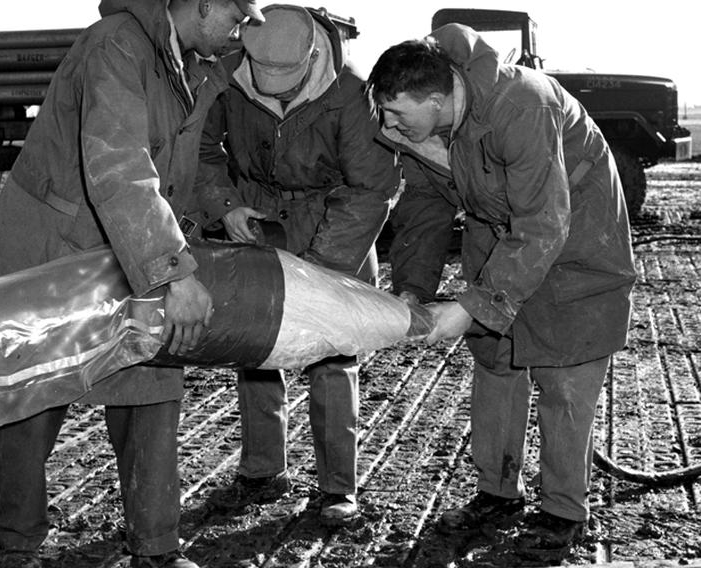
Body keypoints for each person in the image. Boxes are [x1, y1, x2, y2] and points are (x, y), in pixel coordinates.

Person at [0, 1, 264, 567]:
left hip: (129, 241)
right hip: (56, 251)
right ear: (203, 4)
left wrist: (223, 206)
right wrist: (172, 272)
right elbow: (120, 164)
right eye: (236, 15)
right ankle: (18, 543)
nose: (241, 30)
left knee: (152, 392)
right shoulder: (117, 45)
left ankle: (155, 549)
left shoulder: (197, 63)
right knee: (34, 399)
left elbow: (186, 161)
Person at [366, 24, 636, 559]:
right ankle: (497, 491)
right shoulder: (424, 127)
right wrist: (413, 288)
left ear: (438, 99)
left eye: (397, 114)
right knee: (496, 364)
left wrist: (472, 305)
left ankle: (562, 510)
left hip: (577, 248)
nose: (388, 126)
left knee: (564, 379)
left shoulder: (522, 105)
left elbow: (542, 222)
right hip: (501, 236)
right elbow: (425, 207)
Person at [196, 4, 400, 526]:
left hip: (335, 226)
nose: (277, 93)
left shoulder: (354, 95)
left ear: (313, 56)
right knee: (256, 346)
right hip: (258, 220)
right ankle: (263, 471)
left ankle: (337, 488)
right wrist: (226, 207)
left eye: (286, 83)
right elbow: (199, 150)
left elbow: (371, 189)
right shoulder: (227, 76)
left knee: (332, 358)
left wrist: (321, 272)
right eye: (266, 81)